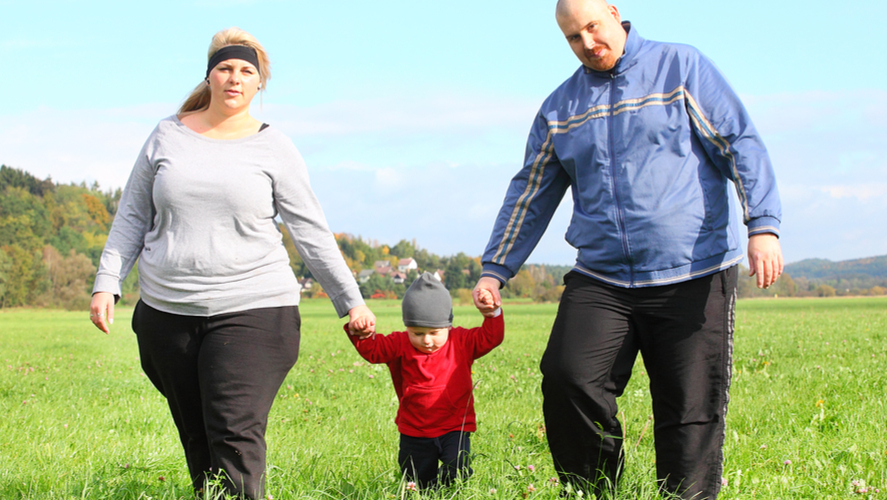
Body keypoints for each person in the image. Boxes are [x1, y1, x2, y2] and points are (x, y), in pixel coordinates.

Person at [472, 1, 783, 498]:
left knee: (688, 408)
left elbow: (737, 142)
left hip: (692, 271)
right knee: (568, 376)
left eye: (593, 27)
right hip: (602, 277)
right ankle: (596, 490)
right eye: (573, 38)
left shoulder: (681, 67)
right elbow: (529, 192)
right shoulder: (560, 108)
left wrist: (762, 224)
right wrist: (495, 268)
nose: (588, 44)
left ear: (615, 14)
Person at [88, 27, 376, 500]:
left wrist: (351, 301)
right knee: (198, 434)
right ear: (210, 76)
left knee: (232, 430)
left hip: (255, 308)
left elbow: (310, 231)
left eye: (247, 71)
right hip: (167, 313)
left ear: (259, 84)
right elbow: (133, 214)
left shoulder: (273, 147)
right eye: (225, 68)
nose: (235, 78)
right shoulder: (167, 135)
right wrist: (107, 282)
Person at [347, 272, 503, 489]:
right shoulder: (400, 343)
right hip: (415, 429)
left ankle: (448, 492)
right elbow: (374, 351)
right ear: (407, 327)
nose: (427, 340)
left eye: (434, 332)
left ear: (448, 326)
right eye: (417, 333)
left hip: (454, 426)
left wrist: (492, 313)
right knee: (417, 480)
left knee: (457, 470)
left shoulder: (462, 341)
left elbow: (490, 338)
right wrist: (362, 333)